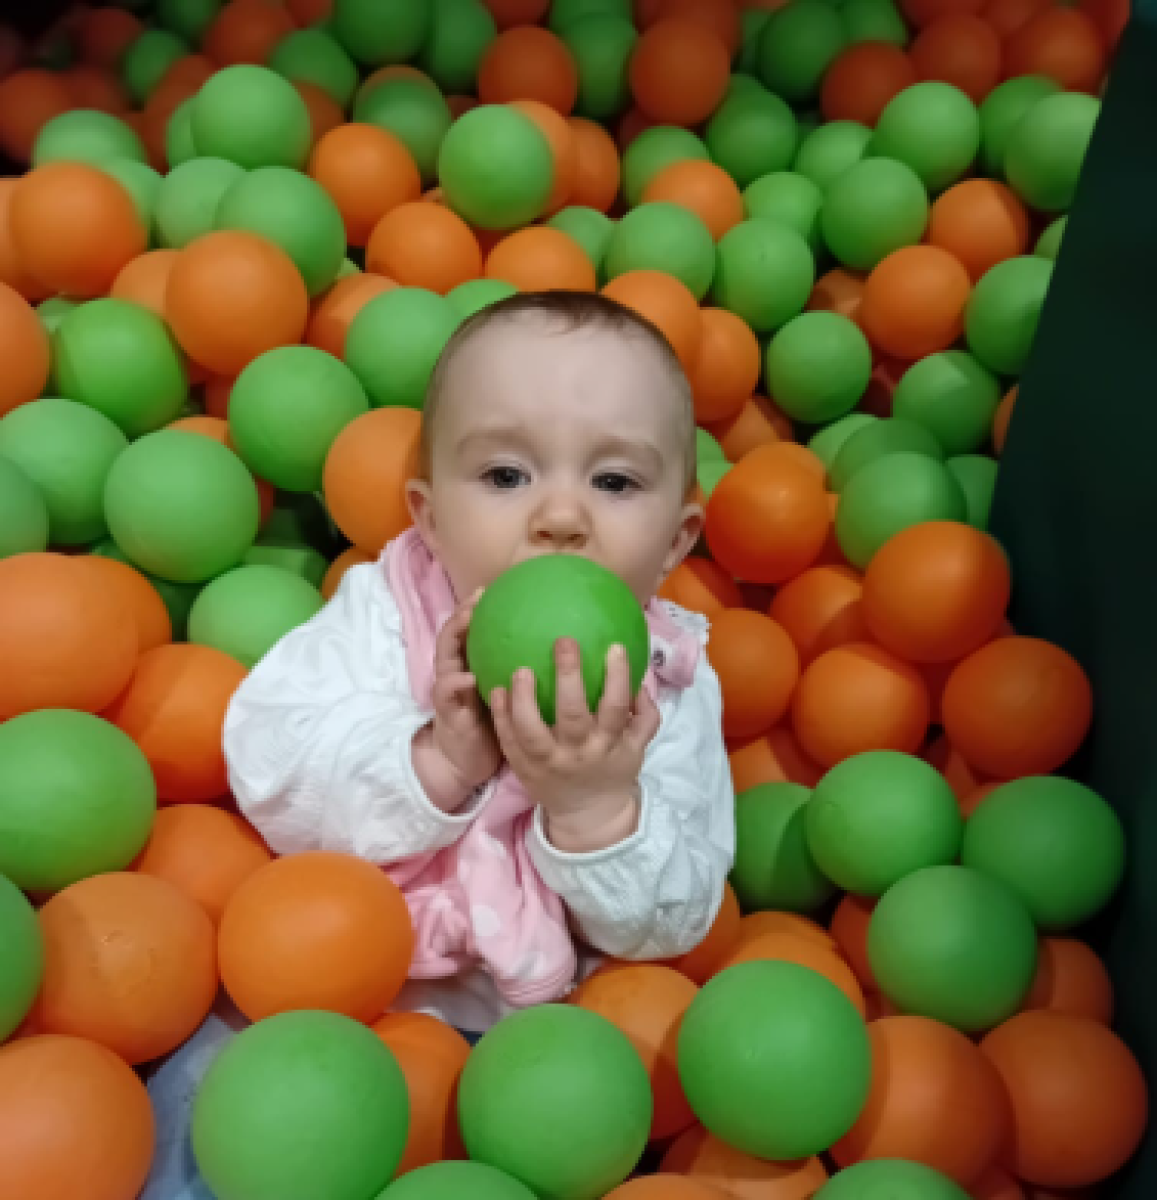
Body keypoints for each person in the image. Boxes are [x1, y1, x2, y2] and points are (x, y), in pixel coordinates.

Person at [223, 290, 736, 1035]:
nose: (560, 517)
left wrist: (595, 807)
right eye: (504, 476)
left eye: (614, 481)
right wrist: (434, 759)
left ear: (675, 542)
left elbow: (674, 922)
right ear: (429, 520)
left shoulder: (666, 684)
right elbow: (265, 765)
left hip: (551, 1035)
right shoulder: (389, 611)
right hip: (344, 997)